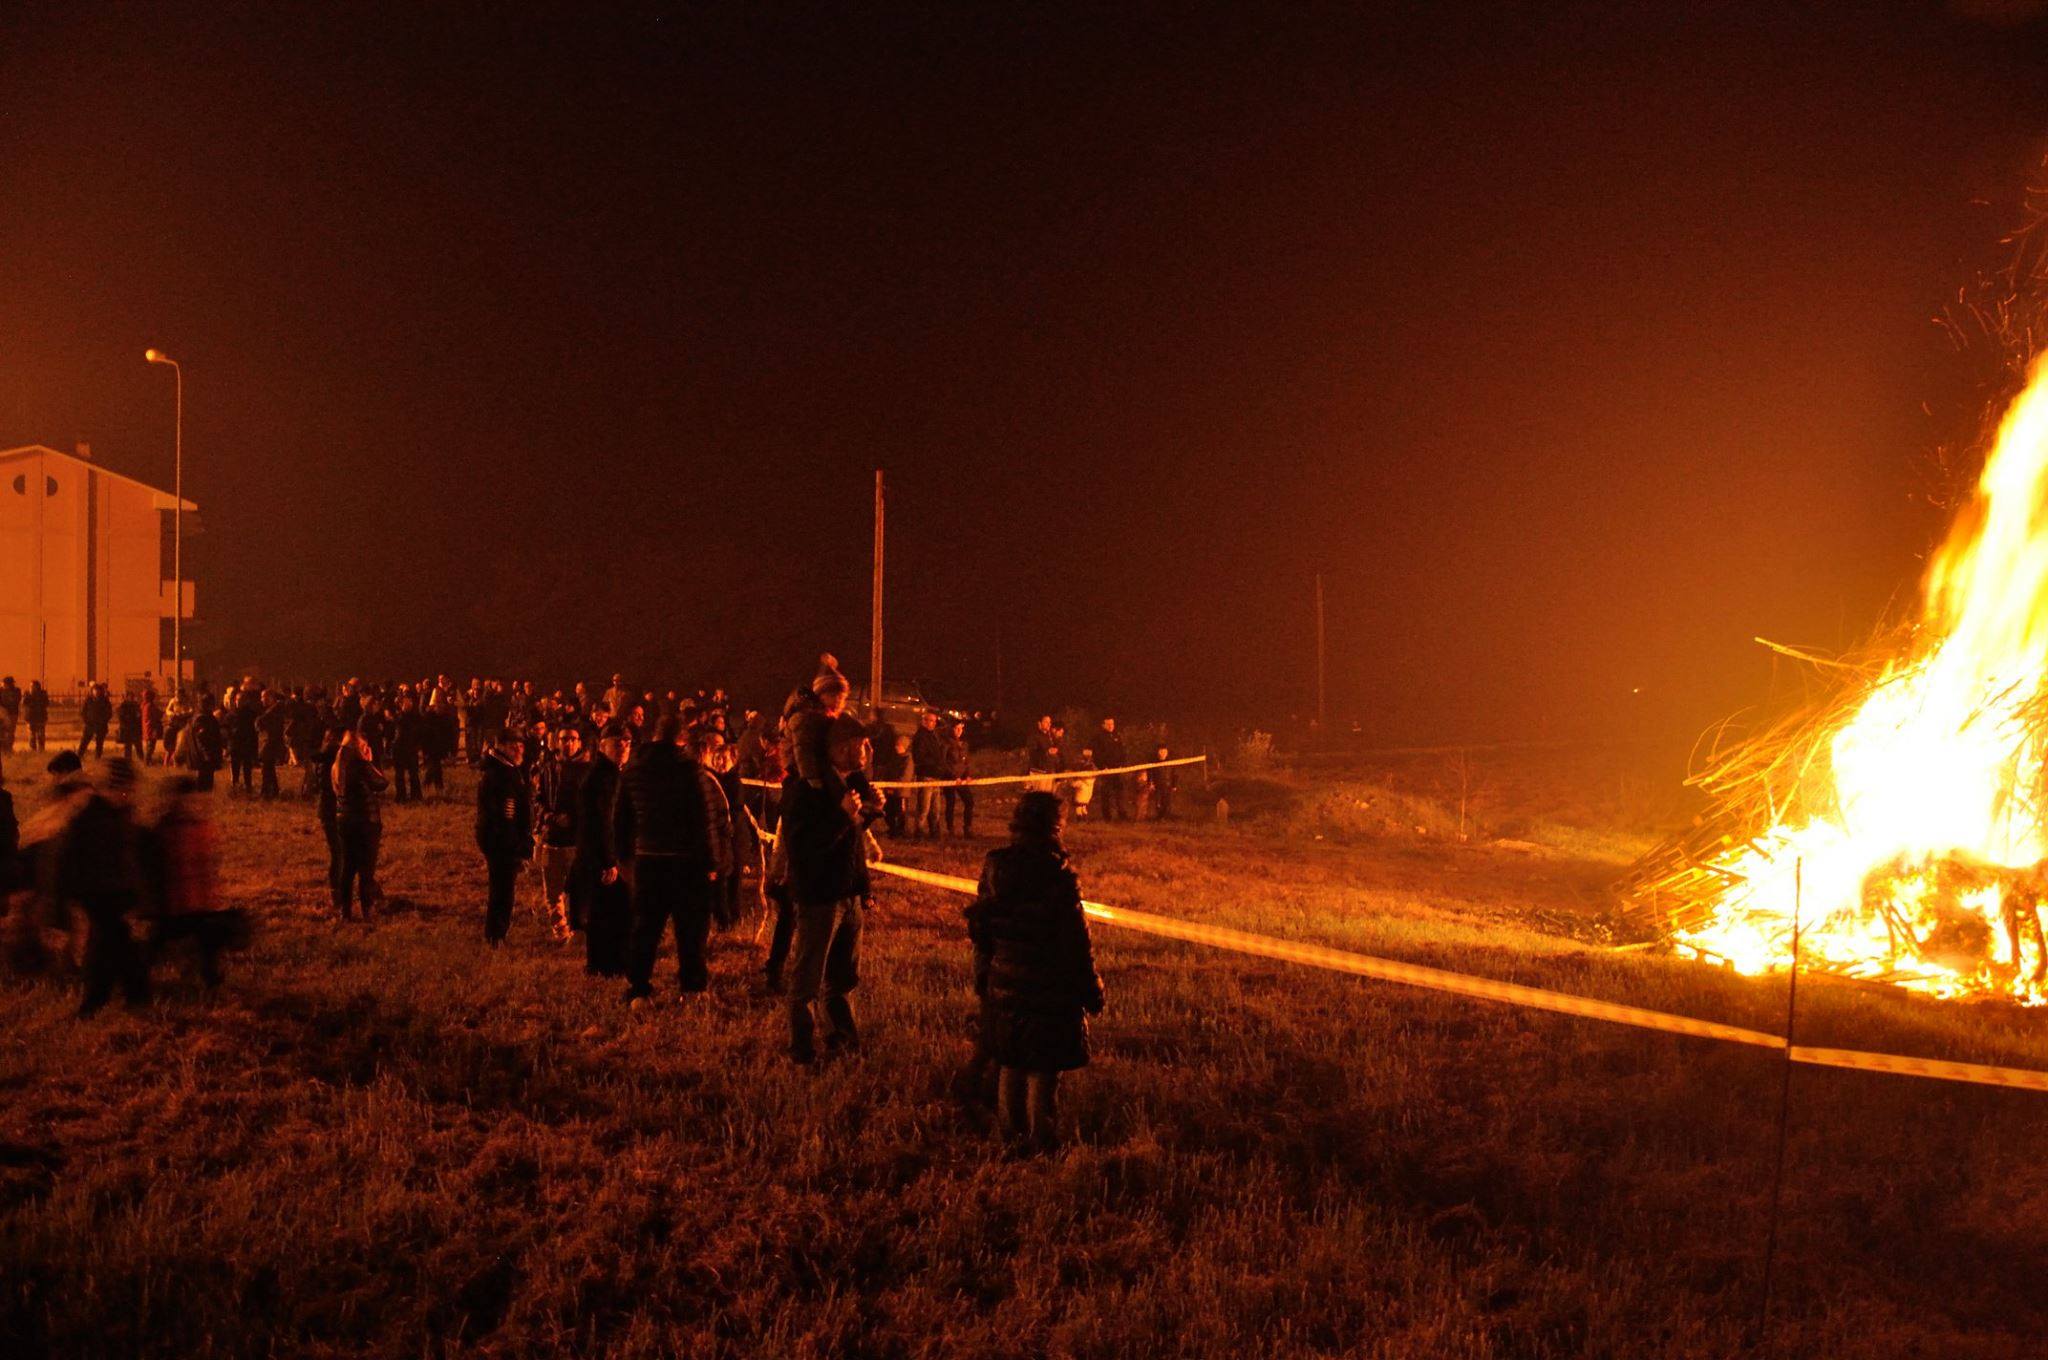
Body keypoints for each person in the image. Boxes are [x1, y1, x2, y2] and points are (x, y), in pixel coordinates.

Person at [965, 791, 1105, 1152]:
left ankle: (1011, 1136)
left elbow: (982, 926)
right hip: (1049, 989)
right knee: (1044, 1071)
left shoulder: (995, 865)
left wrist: (986, 975)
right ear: (1055, 827)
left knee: (1011, 1060)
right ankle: (1041, 1144)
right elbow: (1076, 943)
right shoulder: (1057, 877)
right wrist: (1092, 989)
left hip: (1004, 984)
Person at [778, 664, 882, 1061]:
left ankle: (843, 1040)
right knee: (808, 979)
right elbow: (807, 848)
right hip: (820, 896)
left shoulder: (850, 785)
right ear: (838, 748)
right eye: (859, 744)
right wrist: (844, 815)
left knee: (842, 978)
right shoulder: (806, 790)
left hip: (847, 894)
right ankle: (802, 1047)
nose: (865, 752)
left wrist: (867, 814)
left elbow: (850, 843)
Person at [618, 715, 730, 1001]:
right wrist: (713, 863)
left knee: (645, 926)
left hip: (647, 859)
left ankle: (639, 988)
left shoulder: (633, 770)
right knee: (691, 929)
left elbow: (621, 819)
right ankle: (692, 988)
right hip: (686, 863)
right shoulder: (689, 770)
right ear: (681, 740)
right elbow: (704, 821)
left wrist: (625, 857)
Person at [60, 756, 149, 1015]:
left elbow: (132, 854)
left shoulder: (123, 813)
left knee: (115, 944)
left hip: (119, 890)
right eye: (120, 790)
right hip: (95, 893)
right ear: (103, 788)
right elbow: (69, 859)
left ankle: (125, 996)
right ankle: (108, 998)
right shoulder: (87, 817)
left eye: (129, 789)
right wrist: (71, 897)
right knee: (110, 944)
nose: (126, 795)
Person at [574, 725, 632, 976]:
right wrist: (609, 860)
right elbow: (603, 820)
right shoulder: (603, 777)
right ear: (602, 746)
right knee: (608, 911)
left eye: (627, 743)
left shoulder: (613, 774)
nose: (623, 748)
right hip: (601, 855)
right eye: (617, 743)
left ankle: (605, 963)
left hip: (601, 853)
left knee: (608, 909)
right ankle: (605, 965)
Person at [476, 730, 533, 946]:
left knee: (503, 887)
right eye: (512, 745)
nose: (518, 749)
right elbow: (504, 816)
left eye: (520, 745)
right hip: (501, 842)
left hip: (504, 840)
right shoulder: (499, 776)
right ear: (500, 746)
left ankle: (497, 932)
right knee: (502, 890)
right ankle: (496, 935)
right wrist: (516, 846)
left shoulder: (510, 770)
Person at [535, 725, 588, 940]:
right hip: (552, 838)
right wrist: (550, 817)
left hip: (576, 840)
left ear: (579, 743)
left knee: (578, 889)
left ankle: (578, 931)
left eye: (573, 739)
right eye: (564, 739)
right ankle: (560, 931)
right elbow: (538, 799)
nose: (568, 743)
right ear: (557, 742)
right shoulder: (547, 769)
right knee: (553, 890)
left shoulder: (588, 771)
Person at [333, 725, 387, 919]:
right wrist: (370, 761)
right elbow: (381, 783)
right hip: (365, 821)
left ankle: (345, 911)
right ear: (357, 747)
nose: (366, 748)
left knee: (347, 867)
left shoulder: (338, 765)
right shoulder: (361, 765)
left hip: (344, 820)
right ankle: (366, 909)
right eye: (364, 745)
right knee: (366, 868)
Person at [313, 727, 346, 915]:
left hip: (331, 810)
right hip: (331, 811)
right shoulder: (331, 760)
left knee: (342, 852)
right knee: (339, 852)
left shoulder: (327, 757)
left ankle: (340, 891)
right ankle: (336, 893)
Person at [910, 710, 947, 839]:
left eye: (934, 721)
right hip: (926, 775)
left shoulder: (933, 735)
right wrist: (935, 764)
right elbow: (919, 757)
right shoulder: (920, 737)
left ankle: (934, 833)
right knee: (923, 808)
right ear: (923, 721)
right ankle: (919, 833)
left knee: (935, 809)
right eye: (929, 720)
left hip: (935, 776)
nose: (932, 723)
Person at [941, 718, 975, 837]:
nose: (959, 731)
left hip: (962, 779)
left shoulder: (964, 744)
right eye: (956, 728)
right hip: (950, 778)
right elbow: (943, 762)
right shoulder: (946, 743)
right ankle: (950, 829)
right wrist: (953, 776)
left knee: (969, 801)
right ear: (951, 729)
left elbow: (966, 762)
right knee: (951, 803)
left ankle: (968, 828)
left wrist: (968, 775)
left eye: (961, 728)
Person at [1094, 717, 1128, 822]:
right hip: (1106, 770)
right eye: (1108, 724)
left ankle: (1122, 814)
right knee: (1106, 794)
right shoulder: (1099, 738)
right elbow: (1096, 755)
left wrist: (1123, 764)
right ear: (1103, 725)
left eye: (1112, 724)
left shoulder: (1117, 736)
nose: (1110, 726)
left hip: (1118, 769)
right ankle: (1107, 816)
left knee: (1120, 793)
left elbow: (1122, 751)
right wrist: (1102, 767)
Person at [257, 690, 290, 800]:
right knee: (269, 767)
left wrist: (259, 722)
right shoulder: (275, 709)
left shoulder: (275, 710)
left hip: (271, 742)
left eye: (264, 697)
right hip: (271, 741)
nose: (262, 700)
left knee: (266, 768)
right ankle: (274, 790)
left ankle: (266, 792)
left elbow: (260, 722)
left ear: (271, 698)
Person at [78, 683, 113, 759]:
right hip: (90, 725)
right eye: (95, 690)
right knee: (84, 741)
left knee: (99, 743)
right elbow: (83, 712)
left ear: (101, 691)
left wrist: (103, 720)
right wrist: (87, 720)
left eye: (98, 690)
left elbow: (109, 713)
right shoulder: (88, 700)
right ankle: (79, 756)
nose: (96, 692)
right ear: (92, 691)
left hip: (101, 725)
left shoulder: (105, 701)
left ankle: (98, 757)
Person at [24, 681, 49, 752]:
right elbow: (24, 703)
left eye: (34, 686)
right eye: (31, 686)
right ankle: (32, 749)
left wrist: (37, 702)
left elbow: (46, 703)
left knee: (40, 734)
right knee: (31, 735)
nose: (32, 688)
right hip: (30, 717)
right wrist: (30, 696)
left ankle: (41, 749)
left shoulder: (42, 694)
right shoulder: (27, 694)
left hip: (40, 717)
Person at [0, 675, 18, 754]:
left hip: (12, 713)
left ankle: (9, 747)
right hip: (2, 713)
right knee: (2, 730)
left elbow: (14, 701)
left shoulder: (15, 691)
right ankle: (3, 748)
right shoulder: (0, 690)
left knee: (10, 731)